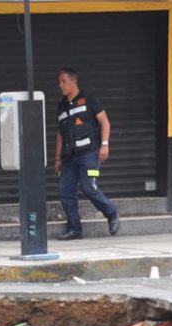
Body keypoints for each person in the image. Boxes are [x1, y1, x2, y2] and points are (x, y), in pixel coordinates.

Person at [54, 67, 120, 240]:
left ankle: (111, 213)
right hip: (69, 157)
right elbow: (60, 133)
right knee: (65, 192)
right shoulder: (61, 105)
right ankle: (75, 229)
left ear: (73, 81)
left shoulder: (89, 99)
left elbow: (105, 122)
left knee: (88, 186)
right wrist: (58, 157)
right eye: (59, 82)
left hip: (89, 154)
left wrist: (105, 145)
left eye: (63, 81)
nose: (60, 85)